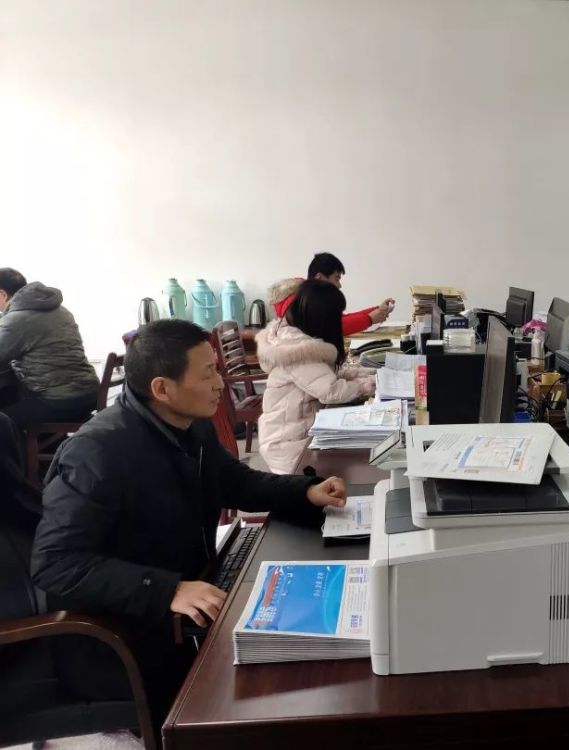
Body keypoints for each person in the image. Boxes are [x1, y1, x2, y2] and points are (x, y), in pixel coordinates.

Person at [30, 319, 350, 725]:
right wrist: (168, 589)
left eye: (217, 368)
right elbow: (55, 564)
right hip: (122, 636)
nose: (221, 384)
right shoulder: (97, 453)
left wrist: (304, 492)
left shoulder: (189, 424)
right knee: (267, 694)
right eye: (208, 374)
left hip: (187, 605)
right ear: (162, 388)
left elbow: (234, 482)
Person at [257, 280, 376, 474]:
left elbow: (323, 375)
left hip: (296, 432)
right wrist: (364, 386)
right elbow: (331, 391)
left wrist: (360, 373)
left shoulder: (293, 337)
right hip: (290, 444)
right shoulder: (297, 350)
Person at [0, 268, 100, 428]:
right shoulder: (59, 309)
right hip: (90, 393)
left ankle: (27, 445)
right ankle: (50, 443)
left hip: (61, 400)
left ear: (3, 294)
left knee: (4, 421)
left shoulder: (17, 319)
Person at [269, 252, 394, 336]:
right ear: (319, 278)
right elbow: (331, 328)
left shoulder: (311, 298)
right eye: (336, 279)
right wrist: (370, 319)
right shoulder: (301, 302)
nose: (339, 286)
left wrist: (376, 310)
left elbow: (339, 319)